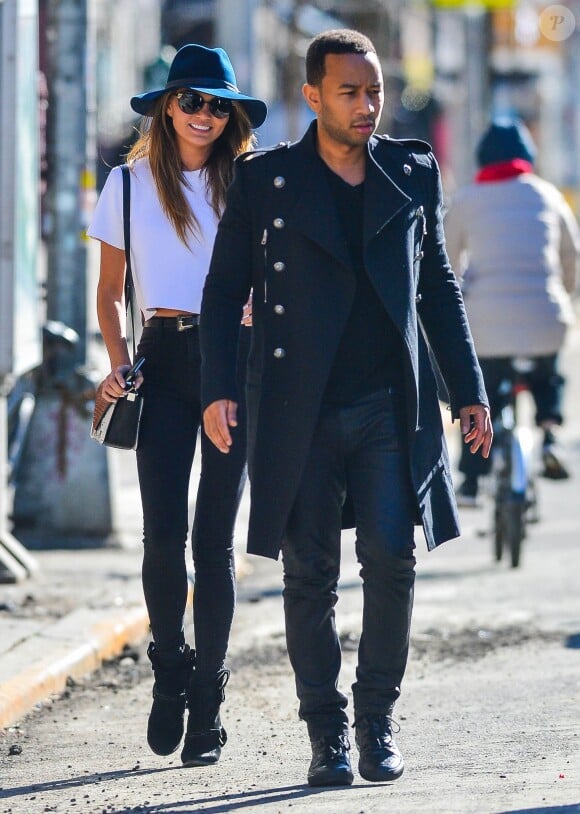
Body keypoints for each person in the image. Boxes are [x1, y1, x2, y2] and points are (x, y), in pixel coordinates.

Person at [199, 29, 492, 787]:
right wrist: (219, 388)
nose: (366, 107)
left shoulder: (410, 170)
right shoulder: (267, 181)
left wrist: (470, 392)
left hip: (389, 405)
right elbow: (224, 288)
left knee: (393, 561)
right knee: (310, 576)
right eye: (350, 93)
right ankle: (325, 734)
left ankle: (376, 719)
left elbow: (437, 288)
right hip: (297, 407)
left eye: (374, 93)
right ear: (313, 96)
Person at [87, 44, 266, 767]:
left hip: (234, 362)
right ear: (167, 105)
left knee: (213, 542)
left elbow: (274, 272)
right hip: (160, 360)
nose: (204, 115)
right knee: (162, 536)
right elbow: (107, 291)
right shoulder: (128, 185)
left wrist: (263, 306)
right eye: (192, 100)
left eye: (219, 105)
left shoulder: (249, 185)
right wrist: (117, 365)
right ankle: (170, 671)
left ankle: (209, 702)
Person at [445, 119, 580, 506]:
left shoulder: (467, 200)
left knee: (480, 396)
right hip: (546, 319)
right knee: (548, 375)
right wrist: (562, 298)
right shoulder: (548, 196)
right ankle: (550, 431)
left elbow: (447, 266)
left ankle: (471, 480)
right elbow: (571, 257)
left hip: (486, 327)